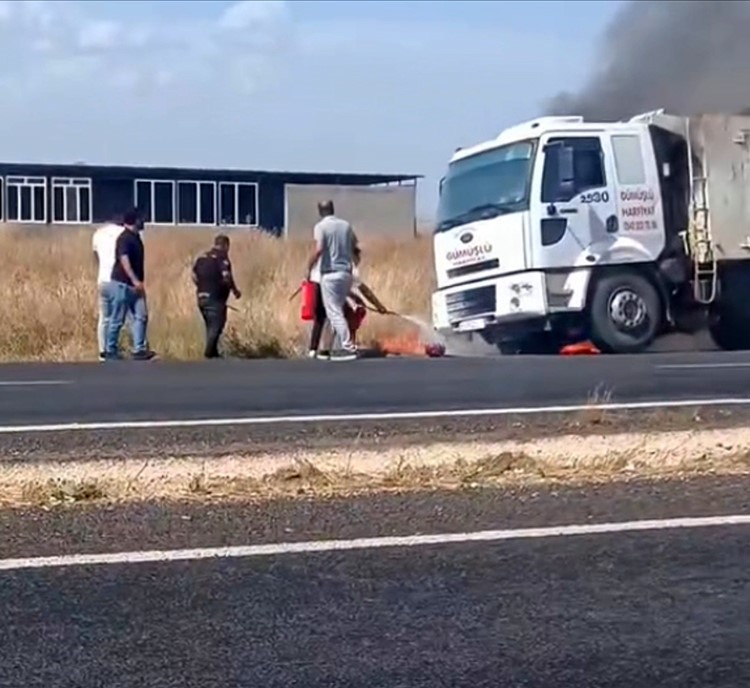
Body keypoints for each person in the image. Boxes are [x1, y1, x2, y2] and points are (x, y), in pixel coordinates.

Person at [305, 200, 359, 361]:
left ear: (320, 211)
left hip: (330, 273)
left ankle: (348, 347)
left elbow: (320, 249)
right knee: (337, 311)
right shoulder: (346, 226)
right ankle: (326, 349)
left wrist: (309, 267)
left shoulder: (321, 227)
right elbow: (355, 248)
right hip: (346, 273)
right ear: (333, 209)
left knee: (334, 312)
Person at [104, 210, 155, 361]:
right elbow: (124, 259)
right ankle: (110, 349)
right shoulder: (124, 238)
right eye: (141, 219)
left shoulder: (136, 237)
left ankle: (139, 349)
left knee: (141, 316)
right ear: (134, 221)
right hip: (122, 283)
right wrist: (134, 280)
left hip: (135, 285)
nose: (143, 222)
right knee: (117, 318)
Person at [191, 234, 241, 359]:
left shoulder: (202, 258)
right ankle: (209, 352)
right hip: (215, 297)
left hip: (201, 297)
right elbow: (227, 276)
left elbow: (193, 275)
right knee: (217, 324)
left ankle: (213, 352)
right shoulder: (222, 258)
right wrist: (234, 290)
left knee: (210, 324)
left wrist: (201, 286)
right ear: (225, 245)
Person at [92, 218, 124, 361]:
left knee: (104, 317)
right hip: (118, 280)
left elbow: (95, 257)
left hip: (102, 279)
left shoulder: (98, 233)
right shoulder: (123, 233)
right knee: (119, 317)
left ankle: (102, 351)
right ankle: (113, 349)